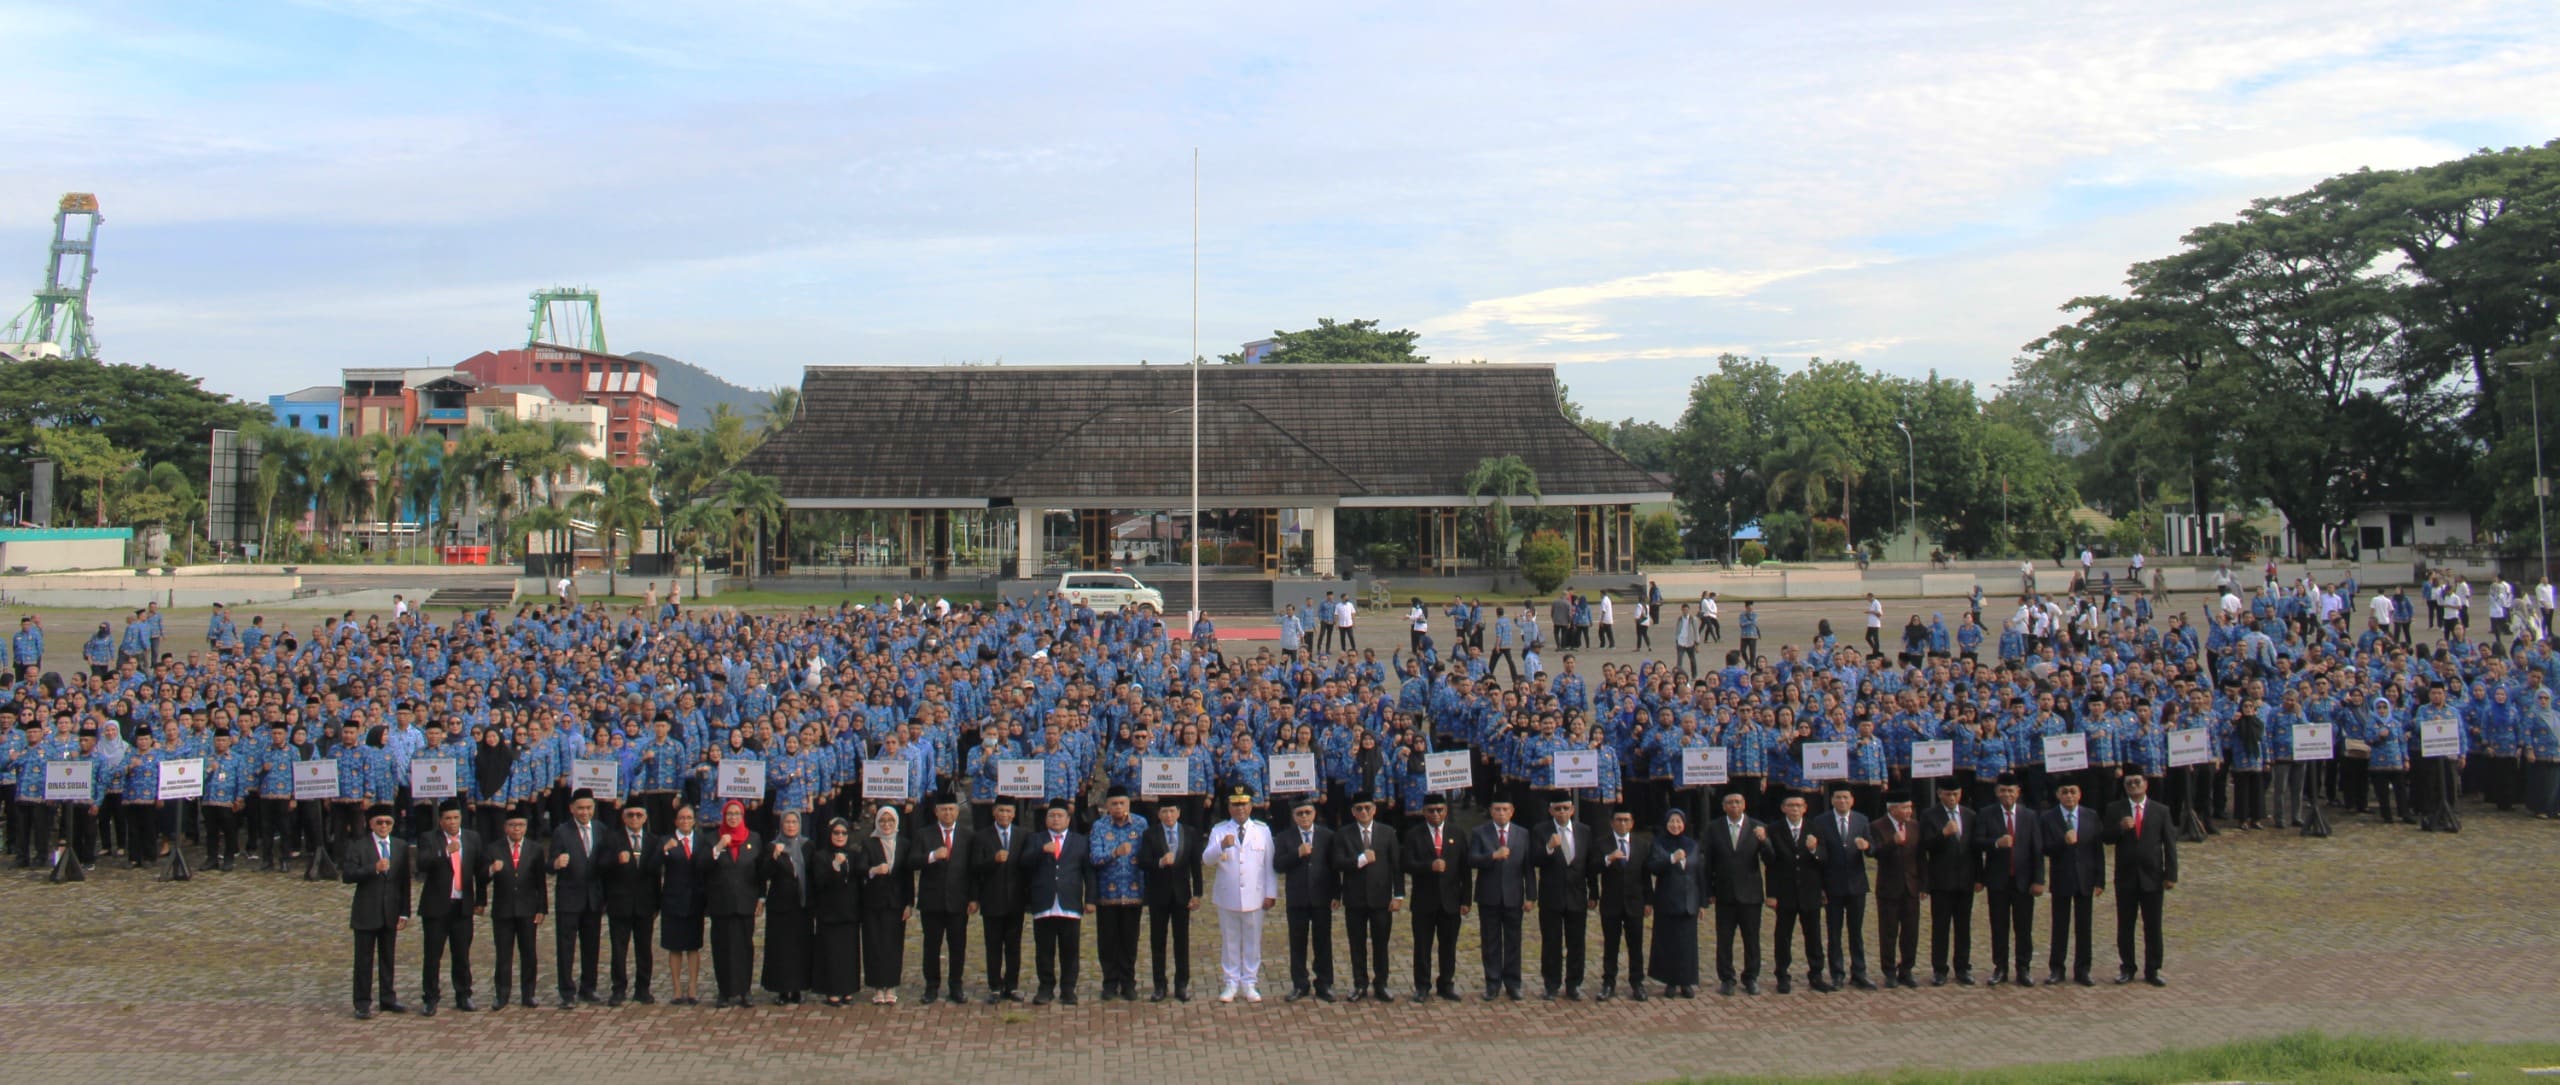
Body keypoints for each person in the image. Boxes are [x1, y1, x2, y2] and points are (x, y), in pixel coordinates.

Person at [2105, 773, 2177, 986]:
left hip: (2153, 877)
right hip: (2126, 876)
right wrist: (2120, 828)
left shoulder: (2160, 811)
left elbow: (2169, 844)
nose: (2134, 785)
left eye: (2138, 782)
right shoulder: (2115, 809)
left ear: (2146, 784)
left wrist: (2170, 874)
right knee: (2125, 925)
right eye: (2129, 783)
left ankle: (2153, 969)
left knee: (2153, 925)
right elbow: (2106, 838)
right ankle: (2127, 967)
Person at [413, 799, 483, 1016]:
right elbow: (421, 864)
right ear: (440, 820)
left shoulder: (472, 838)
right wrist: (444, 851)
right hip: (437, 907)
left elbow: (480, 870)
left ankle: (464, 995)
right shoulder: (429, 838)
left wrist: (480, 900)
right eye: (448, 819)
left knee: (461, 954)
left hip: (462, 906)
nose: (452, 822)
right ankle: (430, 997)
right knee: (433, 955)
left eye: (456, 818)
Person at [1206, 785, 1275, 1003]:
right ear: (1228, 807)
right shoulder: (1219, 830)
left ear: (1251, 805)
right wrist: (1221, 847)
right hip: (1228, 895)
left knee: (1253, 941)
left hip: (1255, 895)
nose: (1240, 809)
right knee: (1230, 940)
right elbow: (1206, 860)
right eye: (1235, 804)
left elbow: (1269, 864)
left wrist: (1271, 893)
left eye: (1243, 804)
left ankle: (1250, 982)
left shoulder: (1262, 830)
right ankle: (1231, 982)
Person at [1022, 797, 1093, 1005]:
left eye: (1059, 816)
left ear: (1068, 819)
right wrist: (1041, 850)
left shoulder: (1080, 841)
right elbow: (1024, 863)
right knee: (1044, 950)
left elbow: (1088, 872)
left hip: (1069, 903)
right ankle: (1045, 987)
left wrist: (1090, 899)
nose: (1055, 819)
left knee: (1070, 950)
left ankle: (1068, 988)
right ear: (1046, 819)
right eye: (1051, 815)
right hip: (1044, 902)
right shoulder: (1036, 839)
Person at [1974, 776, 2043, 987]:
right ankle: (2000, 967)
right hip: (1998, 881)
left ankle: (2024, 968)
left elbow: (2037, 850)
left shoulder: (2029, 816)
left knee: (2023, 927)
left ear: (2018, 792)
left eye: (2010, 790)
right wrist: (1996, 843)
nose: (2007, 795)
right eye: (2003, 790)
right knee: (1999, 926)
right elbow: (1977, 843)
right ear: (1996, 792)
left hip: (2023, 881)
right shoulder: (1987, 814)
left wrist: (2038, 879)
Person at [345, 803, 412, 1019]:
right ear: (370, 824)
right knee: (363, 960)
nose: (383, 826)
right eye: (379, 822)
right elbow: (348, 874)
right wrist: (373, 868)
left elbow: (404, 882)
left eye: (387, 822)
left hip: (390, 911)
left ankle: (388, 997)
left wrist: (404, 912)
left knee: (388, 957)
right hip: (366, 911)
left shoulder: (400, 846)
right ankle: (362, 1002)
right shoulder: (359, 846)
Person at [1401, 795, 1469, 1002]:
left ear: (1446, 811)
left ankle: (1446, 984)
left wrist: (1466, 899)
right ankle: (1422, 986)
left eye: (1440, 810)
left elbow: (1465, 869)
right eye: (1431, 810)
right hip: (1424, 900)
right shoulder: (1414, 835)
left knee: (1448, 946)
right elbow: (1406, 864)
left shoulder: (1457, 833)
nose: (1436, 814)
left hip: (1450, 900)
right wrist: (1428, 866)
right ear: (1424, 812)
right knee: (1422, 946)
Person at [1334, 796, 1400, 1002]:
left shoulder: (1387, 833)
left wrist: (1398, 895)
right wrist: (1360, 860)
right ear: (1353, 812)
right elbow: (1337, 862)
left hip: (1381, 899)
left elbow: (1396, 866)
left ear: (1374, 810)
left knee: (1381, 943)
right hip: (1355, 898)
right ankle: (1359, 983)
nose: (1363, 812)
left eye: (1367, 808)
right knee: (1357, 944)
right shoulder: (1344, 834)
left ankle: (1382, 983)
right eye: (1359, 809)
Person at [545, 790, 606, 1009]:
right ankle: (567, 992)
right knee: (566, 947)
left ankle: (588, 987)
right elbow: (549, 863)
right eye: (580, 808)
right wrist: (555, 863)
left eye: (589, 808)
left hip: (593, 899)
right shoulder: (562, 832)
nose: (585, 812)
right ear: (572, 809)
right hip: (569, 898)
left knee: (592, 946)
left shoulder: (600, 829)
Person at [1273, 796, 1338, 1001]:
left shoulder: (1327, 836)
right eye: (1299, 813)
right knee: (1297, 942)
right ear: (1294, 816)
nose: (1304, 817)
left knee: (1323, 942)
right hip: (1297, 898)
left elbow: (1334, 866)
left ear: (1314, 813)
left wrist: (1337, 893)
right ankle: (1300, 983)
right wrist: (1297, 854)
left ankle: (1324, 982)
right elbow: (1278, 865)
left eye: (1307, 812)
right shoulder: (1285, 838)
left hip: (1321, 897)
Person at [2041, 782, 2106, 986]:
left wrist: (2099, 880)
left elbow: (2098, 850)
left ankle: (2083, 969)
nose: (2069, 796)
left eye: (2073, 792)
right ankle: (2057, 968)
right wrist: (2063, 841)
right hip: (2062, 878)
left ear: (2080, 794)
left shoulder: (2091, 816)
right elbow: (2044, 848)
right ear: (2058, 795)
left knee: (2084, 927)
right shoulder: (2048, 818)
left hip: (2085, 878)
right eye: (2064, 792)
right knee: (2060, 926)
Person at [912, 792, 974, 1005]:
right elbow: (912, 861)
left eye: (951, 809)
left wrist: (973, 898)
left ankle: (956, 986)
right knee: (931, 945)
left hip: (958, 899)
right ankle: (931, 986)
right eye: (943, 809)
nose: (948, 813)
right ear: (936, 811)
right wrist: (931, 856)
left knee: (957, 945)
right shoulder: (924, 834)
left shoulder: (967, 835)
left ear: (957, 811)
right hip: (932, 900)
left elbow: (972, 870)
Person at [1137, 795, 1201, 1001]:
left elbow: (1195, 866)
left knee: (1181, 942)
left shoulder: (1189, 833)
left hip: (1182, 895)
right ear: (1159, 814)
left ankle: (1181, 984)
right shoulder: (1150, 834)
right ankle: (1159, 985)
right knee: (1158, 941)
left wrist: (1197, 893)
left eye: (1172, 811)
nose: (1168, 815)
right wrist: (1159, 862)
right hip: (1158, 895)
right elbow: (1143, 861)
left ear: (1178, 813)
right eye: (1164, 811)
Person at [1703, 791, 1767, 996]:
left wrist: (1765, 841)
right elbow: (1708, 863)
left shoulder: (1757, 827)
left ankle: (1751, 977)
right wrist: (1709, 891)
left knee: (1751, 939)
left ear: (1744, 804)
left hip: (1750, 894)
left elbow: (1772, 859)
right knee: (1724, 939)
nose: (1734, 806)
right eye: (1730, 802)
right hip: (1724, 893)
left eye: (1738, 802)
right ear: (1723, 806)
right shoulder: (1714, 828)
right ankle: (1726, 978)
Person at [1086, 785, 1146, 1001]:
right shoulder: (1099, 827)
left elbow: (1146, 854)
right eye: (1114, 804)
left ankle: (1128, 982)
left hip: (1133, 891)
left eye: (1122, 803)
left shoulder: (1140, 824)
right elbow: (1094, 858)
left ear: (1128, 804)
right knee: (1107, 942)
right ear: (1107, 806)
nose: (1118, 808)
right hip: (1107, 894)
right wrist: (1114, 853)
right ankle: (1109, 982)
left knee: (1130, 941)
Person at [1532, 796, 1596, 1000]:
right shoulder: (1541, 831)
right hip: (1552, 895)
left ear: (1572, 810)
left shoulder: (1584, 831)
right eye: (1557, 808)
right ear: (1550, 811)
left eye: (1565, 808)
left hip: (1577, 895)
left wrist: (1594, 891)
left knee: (1576, 942)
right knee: (1551, 942)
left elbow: (1590, 864)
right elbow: (1534, 860)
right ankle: (1551, 984)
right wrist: (1549, 848)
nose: (1562, 812)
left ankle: (1574, 983)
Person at [1469, 797, 1532, 1001]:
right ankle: (1492, 982)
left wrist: (1531, 895)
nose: (1501, 813)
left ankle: (1513, 982)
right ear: (1491, 811)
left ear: (1512, 811)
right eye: (1497, 809)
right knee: (1491, 941)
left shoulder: (1522, 834)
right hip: (1489, 895)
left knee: (1513, 941)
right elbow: (1471, 859)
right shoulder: (1480, 833)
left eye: (1505, 809)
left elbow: (1528, 867)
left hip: (1514, 895)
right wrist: (1492, 857)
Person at [1764, 794, 1826, 993]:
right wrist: (1771, 893)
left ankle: (1816, 974)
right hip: (1785, 892)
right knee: (1783, 936)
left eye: (1799, 805)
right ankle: (1782, 975)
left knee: (1814, 936)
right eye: (1790, 805)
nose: (1795, 809)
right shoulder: (1774, 830)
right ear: (1783, 808)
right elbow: (1770, 864)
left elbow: (1825, 859)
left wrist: (1814, 849)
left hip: (1810, 891)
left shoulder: (1815, 828)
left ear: (1805, 808)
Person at [601, 803, 662, 1006]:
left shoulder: (653, 841)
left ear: (645, 818)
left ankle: (642, 988)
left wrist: (657, 904)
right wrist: (615, 861)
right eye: (630, 815)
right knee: (619, 950)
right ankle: (618, 989)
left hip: (645, 903)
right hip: (620, 903)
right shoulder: (612, 838)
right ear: (624, 818)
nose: (634, 819)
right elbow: (600, 866)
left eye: (638, 815)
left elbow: (656, 875)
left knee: (644, 949)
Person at [485, 811, 547, 1010]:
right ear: (506, 828)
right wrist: (491, 870)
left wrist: (541, 908)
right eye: (512, 825)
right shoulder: (494, 848)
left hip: (528, 909)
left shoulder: (535, 849)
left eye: (520, 825)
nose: (516, 829)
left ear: (526, 827)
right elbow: (480, 877)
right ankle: (502, 994)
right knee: (504, 954)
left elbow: (541, 882)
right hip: (503, 910)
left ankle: (528, 994)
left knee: (529, 953)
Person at [1812, 787, 1873, 990]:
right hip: (1832, 884)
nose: (1842, 801)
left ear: (1852, 800)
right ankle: (1837, 972)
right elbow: (1820, 855)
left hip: (1856, 885)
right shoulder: (1821, 821)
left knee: (1856, 931)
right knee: (1834, 931)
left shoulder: (1861, 820)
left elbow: (1872, 848)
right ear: (1832, 801)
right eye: (1838, 798)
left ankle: (1859, 972)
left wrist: (1867, 847)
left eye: (1846, 797)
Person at [705, 800, 763, 1008]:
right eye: (729, 814)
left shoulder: (753, 838)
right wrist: (719, 847)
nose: (733, 818)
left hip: (746, 901)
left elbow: (760, 871)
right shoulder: (712, 838)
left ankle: (744, 990)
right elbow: (702, 865)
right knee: (723, 947)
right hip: (722, 902)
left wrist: (761, 897)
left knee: (745, 947)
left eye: (737, 814)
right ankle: (725, 990)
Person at [1919, 781, 1977, 987]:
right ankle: (1939, 969)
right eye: (1947, 794)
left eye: (1955, 794)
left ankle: (1963, 967)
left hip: (1965, 880)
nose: (1952, 798)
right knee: (1941, 927)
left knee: (1963, 927)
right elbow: (1924, 847)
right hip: (1941, 881)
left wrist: (1978, 877)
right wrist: (1942, 835)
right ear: (1939, 794)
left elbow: (1975, 849)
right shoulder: (1929, 815)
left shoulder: (1969, 815)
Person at [972, 799, 1029, 1003]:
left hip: (1015, 899)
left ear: (1014, 814)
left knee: (1014, 945)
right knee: (993, 945)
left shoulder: (1023, 835)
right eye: (1001, 810)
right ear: (994, 812)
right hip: (992, 898)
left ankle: (1012, 985)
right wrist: (992, 860)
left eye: (1008, 811)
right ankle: (995, 985)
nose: (1004, 814)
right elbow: (975, 867)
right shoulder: (982, 836)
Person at [1867, 797, 1923, 988]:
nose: (1908, 811)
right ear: (1892, 809)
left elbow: (1920, 857)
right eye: (1904, 807)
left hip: (1911, 886)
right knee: (1888, 931)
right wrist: (1893, 842)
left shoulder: (1915, 826)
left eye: (1910, 807)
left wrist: (1923, 885)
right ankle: (1889, 970)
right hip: (1888, 887)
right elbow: (1874, 853)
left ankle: (1906, 969)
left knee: (1911, 931)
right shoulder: (1877, 826)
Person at [657, 805, 710, 1006]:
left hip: (695, 899)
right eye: (682, 818)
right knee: (675, 946)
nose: (685, 821)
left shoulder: (702, 841)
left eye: (689, 818)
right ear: (676, 821)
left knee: (693, 946)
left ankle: (693, 989)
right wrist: (664, 850)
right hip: (673, 900)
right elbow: (654, 864)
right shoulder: (666, 841)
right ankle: (677, 989)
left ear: (694, 821)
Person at [1593, 807, 1647, 1002]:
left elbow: (1645, 875)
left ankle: (1637, 982)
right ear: (1612, 822)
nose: (1622, 824)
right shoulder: (1602, 843)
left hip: (1635, 902)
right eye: (1618, 820)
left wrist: (1648, 900)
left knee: (1636, 945)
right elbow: (1592, 867)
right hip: (1611, 902)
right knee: (1611, 945)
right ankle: (1609, 982)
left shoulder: (1641, 844)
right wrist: (1608, 859)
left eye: (1626, 820)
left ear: (1632, 823)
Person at [859, 803, 912, 1004]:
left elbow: (907, 875)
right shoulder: (869, 843)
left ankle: (890, 986)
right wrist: (873, 870)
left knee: (893, 944)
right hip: (873, 902)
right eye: (882, 821)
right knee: (874, 944)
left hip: (896, 902)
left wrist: (909, 903)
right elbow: (861, 867)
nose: (886, 824)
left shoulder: (904, 843)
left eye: (890, 821)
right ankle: (877, 987)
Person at [761, 810, 814, 1005]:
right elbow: (764, 874)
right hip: (780, 907)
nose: (791, 826)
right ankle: (782, 989)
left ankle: (798, 988)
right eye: (787, 822)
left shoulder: (807, 846)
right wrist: (774, 857)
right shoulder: (773, 846)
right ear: (781, 825)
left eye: (794, 822)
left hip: (801, 906)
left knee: (800, 948)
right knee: (781, 949)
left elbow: (812, 874)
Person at [811, 816, 864, 1006]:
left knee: (848, 953)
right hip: (829, 912)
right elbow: (819, 882)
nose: (840, 836)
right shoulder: (821, 856)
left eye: (843, 833)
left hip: (849, 912)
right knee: (831, 954)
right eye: (836, 833)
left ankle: (848, 989)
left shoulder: (853, 854)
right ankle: (832, 990)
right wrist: (835, 866)